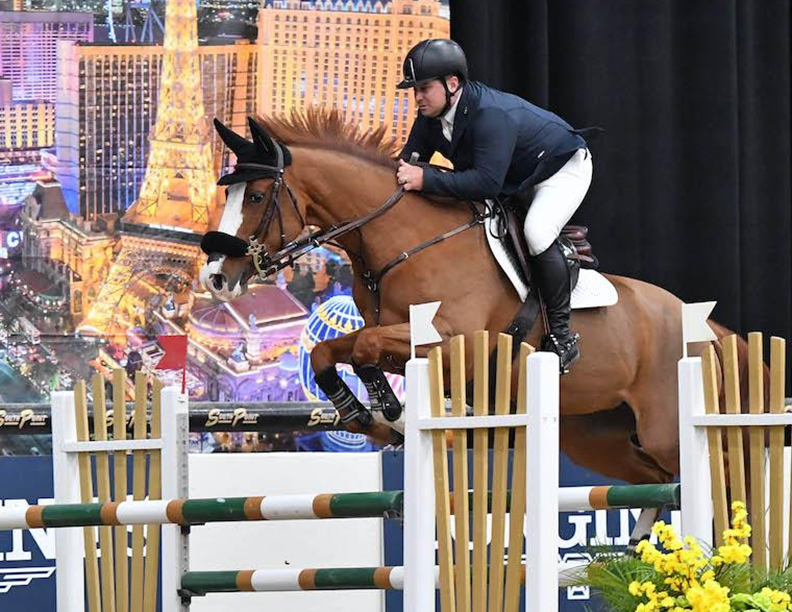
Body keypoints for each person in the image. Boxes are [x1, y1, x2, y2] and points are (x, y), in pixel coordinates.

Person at [395, 38, 593, 374]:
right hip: (515, 175)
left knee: (536, 231)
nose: (418, 97)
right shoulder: (429, 117)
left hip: (560, 168)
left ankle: (562, 336)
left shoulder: (490, 115)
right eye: (415, 90)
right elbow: (406, 167)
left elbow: (486, 184)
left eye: (424, 88)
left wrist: (426, 178)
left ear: (452, 83)